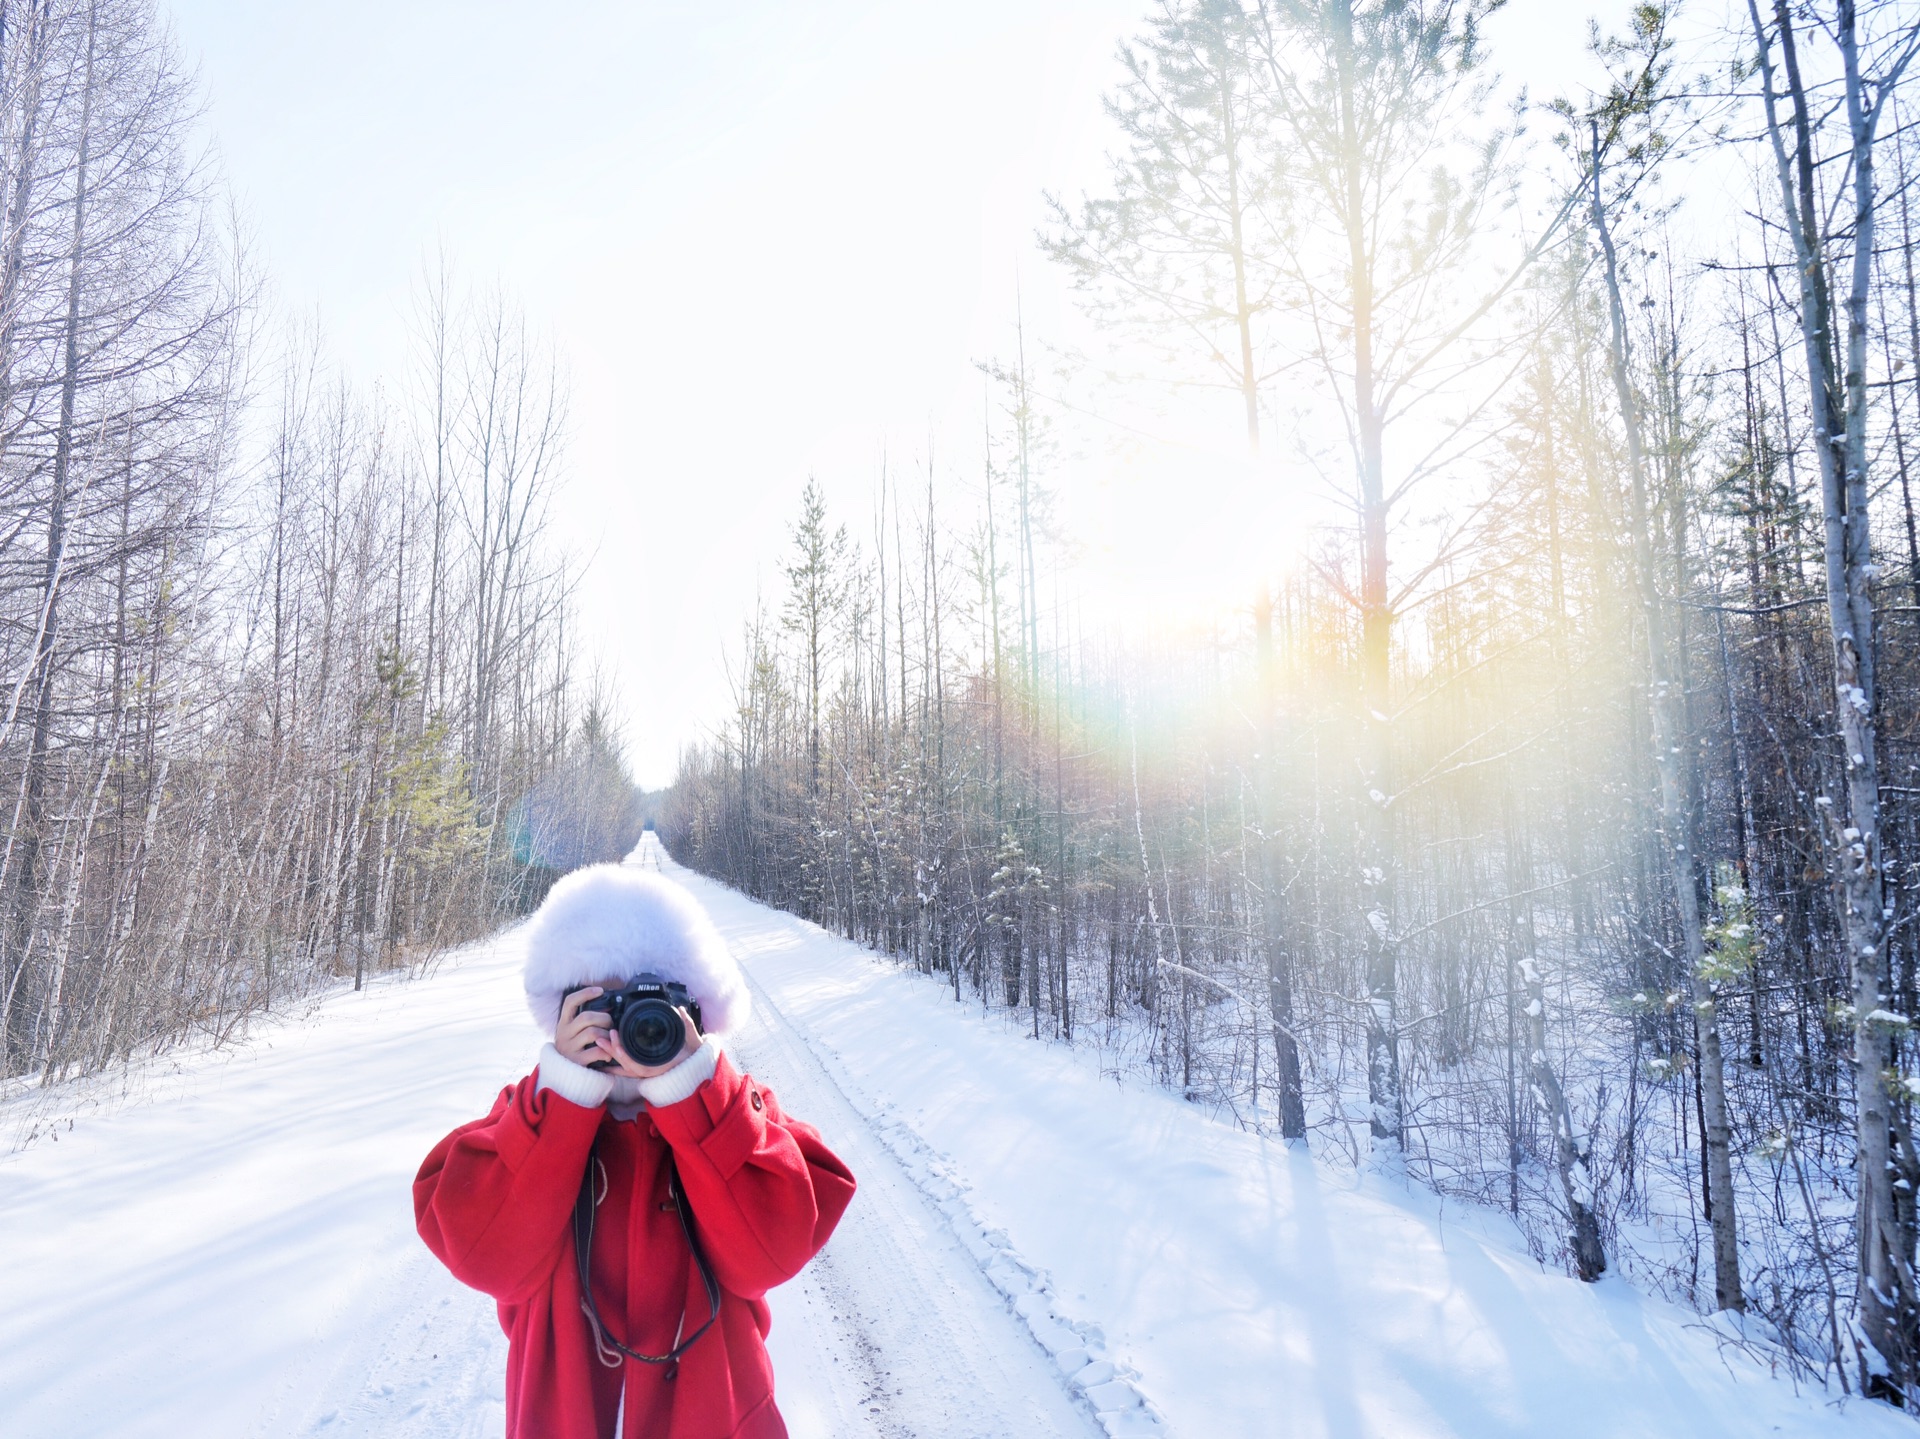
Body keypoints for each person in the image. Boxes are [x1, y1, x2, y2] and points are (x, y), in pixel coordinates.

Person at [415, 864, 855, 1439]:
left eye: (652, 1009)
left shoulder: (739, 1111)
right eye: (604, 1004)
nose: (628, 1030)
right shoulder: (528, 1114)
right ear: (565, 1012)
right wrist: (564, 1096)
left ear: (695, 1015)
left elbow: (768, 1257)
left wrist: (695, 1093)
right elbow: (487, 1259)